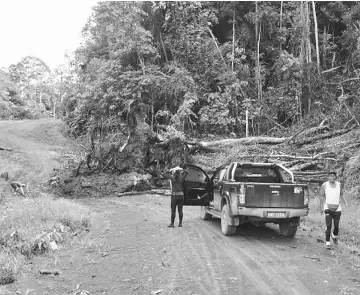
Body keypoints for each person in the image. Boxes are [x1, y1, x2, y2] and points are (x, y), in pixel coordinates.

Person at [319, 171, 348, 250]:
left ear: (335, 177)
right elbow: (321, 196)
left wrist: (345, 202)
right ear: (328, 177)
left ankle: (334, 235)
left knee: (336, 226)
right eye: (330, 176)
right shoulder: (324, 185)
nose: (332, 177)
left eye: (333, 176)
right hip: (328, 208)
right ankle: (327, 243)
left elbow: (341, 194)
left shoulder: (339, 185)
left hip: (337, 208)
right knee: (328, 226)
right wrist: (321, 208)